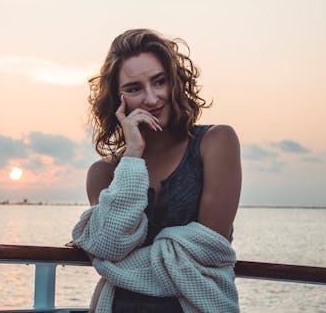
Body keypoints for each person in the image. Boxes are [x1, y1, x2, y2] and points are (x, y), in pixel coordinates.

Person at [71, 29, 241, 312]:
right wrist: (133, 155)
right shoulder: (104, 174)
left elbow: (208, 248)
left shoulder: (216, 143)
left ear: (175, 83)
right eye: (134, 88)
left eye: (159, 82)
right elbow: (111, 245)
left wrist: (117, 266)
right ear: (118, 98)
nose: (151, 99)